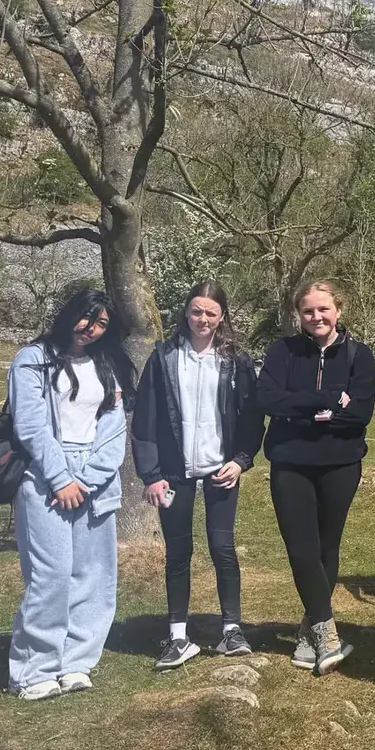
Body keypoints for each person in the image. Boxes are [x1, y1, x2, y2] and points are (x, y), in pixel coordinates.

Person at [6, 289, 136, 699]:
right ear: (70, 314)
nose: (92, 330)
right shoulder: (34, 359)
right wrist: (60, 478)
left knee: (95, 576)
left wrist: (92, 476)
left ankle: (76, 662)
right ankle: (34, 670)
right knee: (51, 575)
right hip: (45, 476)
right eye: (87, 319)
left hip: (96, 477)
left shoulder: (107, 364)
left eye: (101, 325)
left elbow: (115, 428)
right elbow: (30, 425)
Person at [131, 282, 265, 671]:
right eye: (196, 311)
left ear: (222, 316)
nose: (203, 319)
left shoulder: (236, 360)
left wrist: (241, 460)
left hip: (221, 470)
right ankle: (177, 637)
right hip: (174, 474)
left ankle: (231, 631)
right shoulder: (163, 357)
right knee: (178, 553)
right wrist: (151, 474)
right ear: (185, 313)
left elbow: (252, 416)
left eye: (211, 312)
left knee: (222, 548)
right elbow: (145, 419)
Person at [256, 280, 375, 676]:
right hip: (290, 463)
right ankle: (326, 634)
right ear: (299, 315)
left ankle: (309, 628)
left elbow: (358, 415)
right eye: (308, 311)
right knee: (301, 547)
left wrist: (300, 409)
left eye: (323, 309)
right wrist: (325, 399)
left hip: (340, 464)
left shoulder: (360, 356)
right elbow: (267, 399)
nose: (316, 317)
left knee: (327, 545)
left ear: (338, 310)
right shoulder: (283, 351)